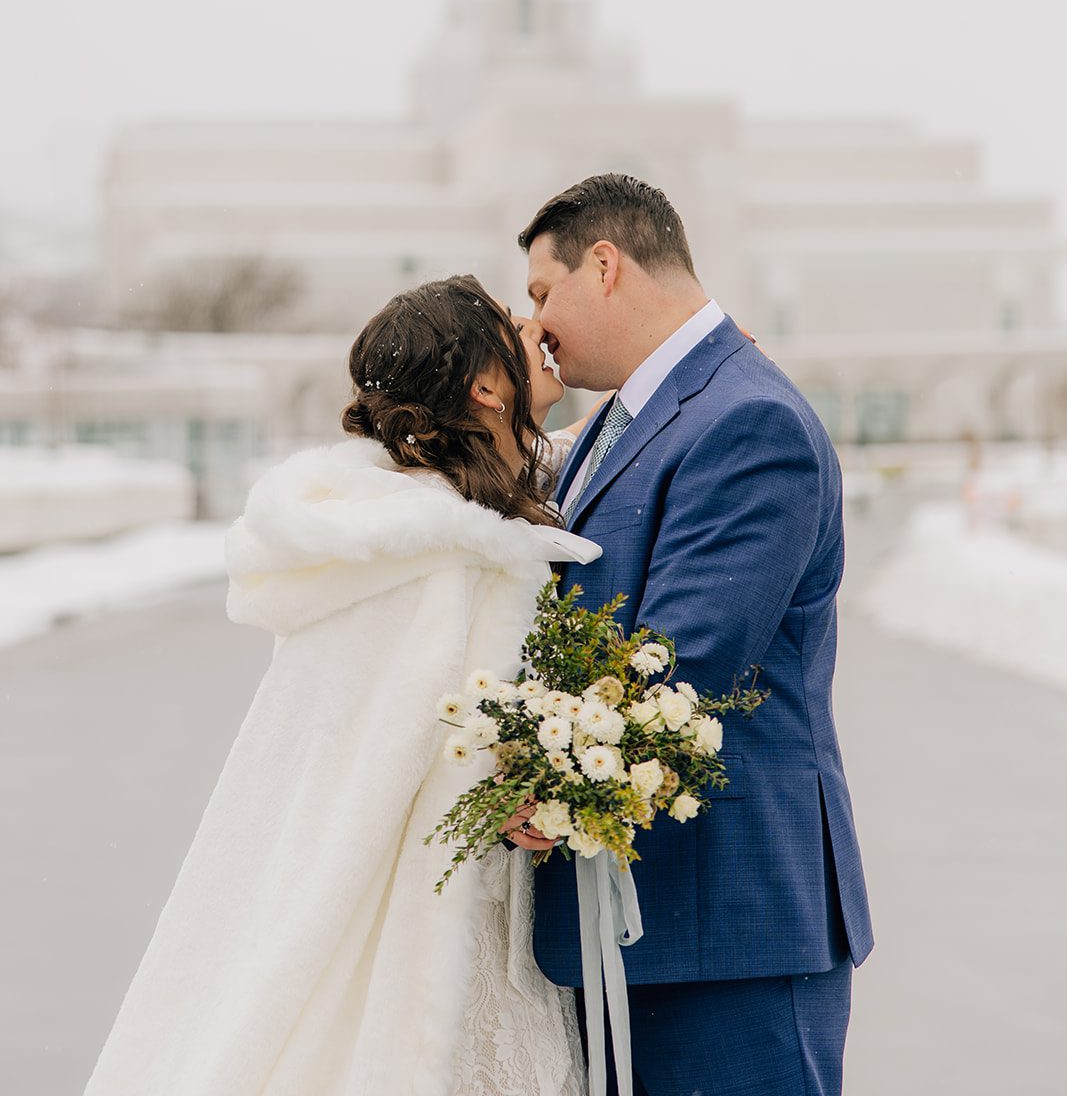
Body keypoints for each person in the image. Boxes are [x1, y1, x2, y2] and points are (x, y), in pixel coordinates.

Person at [84, 274, 599, 1096]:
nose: (537, 325)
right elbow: (393, 741)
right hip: (427, 914)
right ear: (484, 385)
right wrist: (502, 780)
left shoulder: (407, 518)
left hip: (466, 891)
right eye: (514, 320)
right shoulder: (433, 551)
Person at [518, 173, 874, 1096]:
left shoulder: (745, 418)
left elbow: (681, 665)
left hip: (726, 927)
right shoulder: (628, 416)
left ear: (604, 266)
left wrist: (532, 787)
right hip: (639, 927)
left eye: (542, 292)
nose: (536, 326)